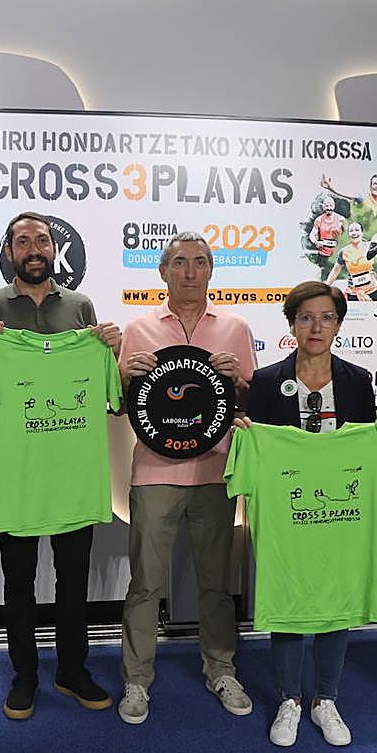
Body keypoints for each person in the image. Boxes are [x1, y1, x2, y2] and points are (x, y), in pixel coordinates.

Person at [0, 210, 121, 720]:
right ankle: (25, 674)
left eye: (42, 240)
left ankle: (72, 670)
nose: (34, 249)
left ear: (54, 249)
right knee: (19, 583)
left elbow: (112, 398)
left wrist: (110, 351)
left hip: (72, 476)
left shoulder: (80, 307)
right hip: (19, 477)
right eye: (22, 241)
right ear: (9, 251)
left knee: (74, 581)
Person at [117, 230, 257, 725]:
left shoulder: (236, 328)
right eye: (179, 262)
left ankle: (221, 669)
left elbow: (249, 402)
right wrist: (124, 376)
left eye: (199, 262)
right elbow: (120, 404)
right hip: (155, 471)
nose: (190, 272)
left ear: (211, 270)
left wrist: (238, 381)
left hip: (216, 469)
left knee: (216, 582)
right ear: (163, 271)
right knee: (145, 583)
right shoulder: (138, 328)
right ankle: (136, 679)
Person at [239, 281, 376, 747]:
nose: (316, 327)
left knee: (336, 596)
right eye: (306, 318)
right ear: (292, 324)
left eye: (326, 318)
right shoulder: (264, 382)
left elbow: (365, 444)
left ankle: (326, 699)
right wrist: (246, 435)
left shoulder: (357, 381)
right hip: (288, 513)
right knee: (288, 596)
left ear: (338, 325)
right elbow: (257, 447)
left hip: (341, 512)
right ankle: (290, 699)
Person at [327, 223, 377, 302]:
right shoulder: (344, 251)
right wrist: (325, 288)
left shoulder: (370, 246)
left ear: (362, 233)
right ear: (349, 234)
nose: (354, 233)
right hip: (353, 293)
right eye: (351, 231)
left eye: (357, 230)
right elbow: (335, 272)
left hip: (373, 290)